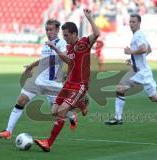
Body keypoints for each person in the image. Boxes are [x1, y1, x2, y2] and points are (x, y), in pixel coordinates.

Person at [0, 19, 78, 139]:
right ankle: (8, 131)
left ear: (56, 30)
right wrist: (32, 65)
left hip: (53, 84)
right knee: (21, 100)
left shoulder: (61, 43)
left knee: (56, 112)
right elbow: (45, 61)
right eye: (47, 30)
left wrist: (67, 74)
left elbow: (67, 59)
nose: (48, 32)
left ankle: (72, 116)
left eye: (51, 29)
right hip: (38, 81)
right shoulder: (45, 45)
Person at [105, 13, 157, 125]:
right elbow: (149, 49)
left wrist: (130, 52)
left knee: (153, 97)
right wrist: (133, 58)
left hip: (141, 72)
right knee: (123, 89)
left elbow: (144, 49)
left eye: (134, 22)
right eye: (130, 22)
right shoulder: (139, 35)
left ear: (139, 23)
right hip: (139, 71)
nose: (131, 24)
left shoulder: (138, 35)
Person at [34, 8, 100, 152]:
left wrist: (89, 18)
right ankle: (81, 104)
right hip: (69, 83)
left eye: (66, 35)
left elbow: (97, 34)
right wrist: (56, 50)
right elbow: (67, 60)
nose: (64, 38)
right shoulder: (69, 48)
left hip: (80, 84)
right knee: (54, 111)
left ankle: (48, 143)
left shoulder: (84, 43)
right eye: (63, 35)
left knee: (62, 112)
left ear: (74, 34)